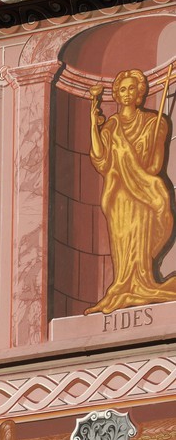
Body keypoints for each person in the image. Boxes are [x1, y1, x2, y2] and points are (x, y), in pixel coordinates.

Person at [85, 67, 176, 314]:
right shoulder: (110, 126)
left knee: (140, 239)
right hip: (119, 194)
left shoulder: (153, 123)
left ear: (140, 93)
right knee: (122, 243)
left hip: (143, 193)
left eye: (131, 89)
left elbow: (155, 165)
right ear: (116, 94)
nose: (126, 93)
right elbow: (101, 160)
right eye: (122, 89)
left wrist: (153, 141)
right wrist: (94, 124)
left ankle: (142, 283)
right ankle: (123, 284)